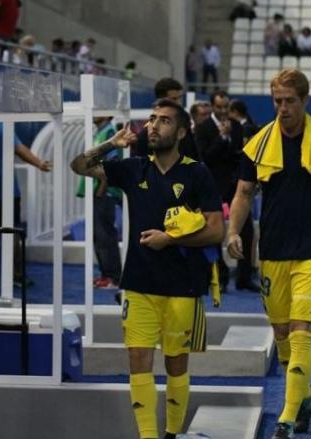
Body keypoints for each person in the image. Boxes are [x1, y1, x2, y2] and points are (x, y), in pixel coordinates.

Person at [70, 99, 224, 439]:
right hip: (138, 284)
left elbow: (217, 230)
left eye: (164, 121)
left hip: (183, 285)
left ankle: (171, 432)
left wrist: (169, 239)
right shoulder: (133, 168)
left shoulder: (196, 173)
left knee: (175, 364)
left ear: (181, 132)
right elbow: (78, 166)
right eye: (152, 119)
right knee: (138, 361)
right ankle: (148, 436)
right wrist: (112, 143)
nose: (154, 125)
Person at [226, 68, 311, 438]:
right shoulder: (258, 143)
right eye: (277, 102)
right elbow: (242, 193)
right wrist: (232, 232)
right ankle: (306, 397)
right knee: (282, 332)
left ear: (304, 101)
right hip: (273, 248)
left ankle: (285, 418)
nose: (282, 108)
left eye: (289, 101)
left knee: (302, 330)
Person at [0, 122, 51, 288]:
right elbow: (20, 150)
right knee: (11, 231)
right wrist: (39, 163)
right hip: (7, 189)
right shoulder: (3, 127)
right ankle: (16, 275)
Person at [195, 91, 258, 292]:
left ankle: (244, 278)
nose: (223, 111)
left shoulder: (237, 126)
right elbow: (205, 157)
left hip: (236, 185)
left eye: (226, 107)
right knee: (213, 232)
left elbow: (240, 155)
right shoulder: (203, 128)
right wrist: (221, 137)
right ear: (213, 107)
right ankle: (220, 278)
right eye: (219, 107)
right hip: (213, 186)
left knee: (246, 231)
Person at [75, 117, 122, 291]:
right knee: (99, 235)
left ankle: (113, 277)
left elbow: (111, 164)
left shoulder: (109, 133)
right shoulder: (101, 131)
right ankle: (106, 275)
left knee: (105, 235)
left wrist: (102, 189)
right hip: (100, 192)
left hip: (104, 193)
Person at [132, 78, 198, 160]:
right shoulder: (147, 134)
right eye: (174, 99)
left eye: (180, 98)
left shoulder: (184, 126)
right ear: (161, 101)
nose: (179, 103)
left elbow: (193, 155)